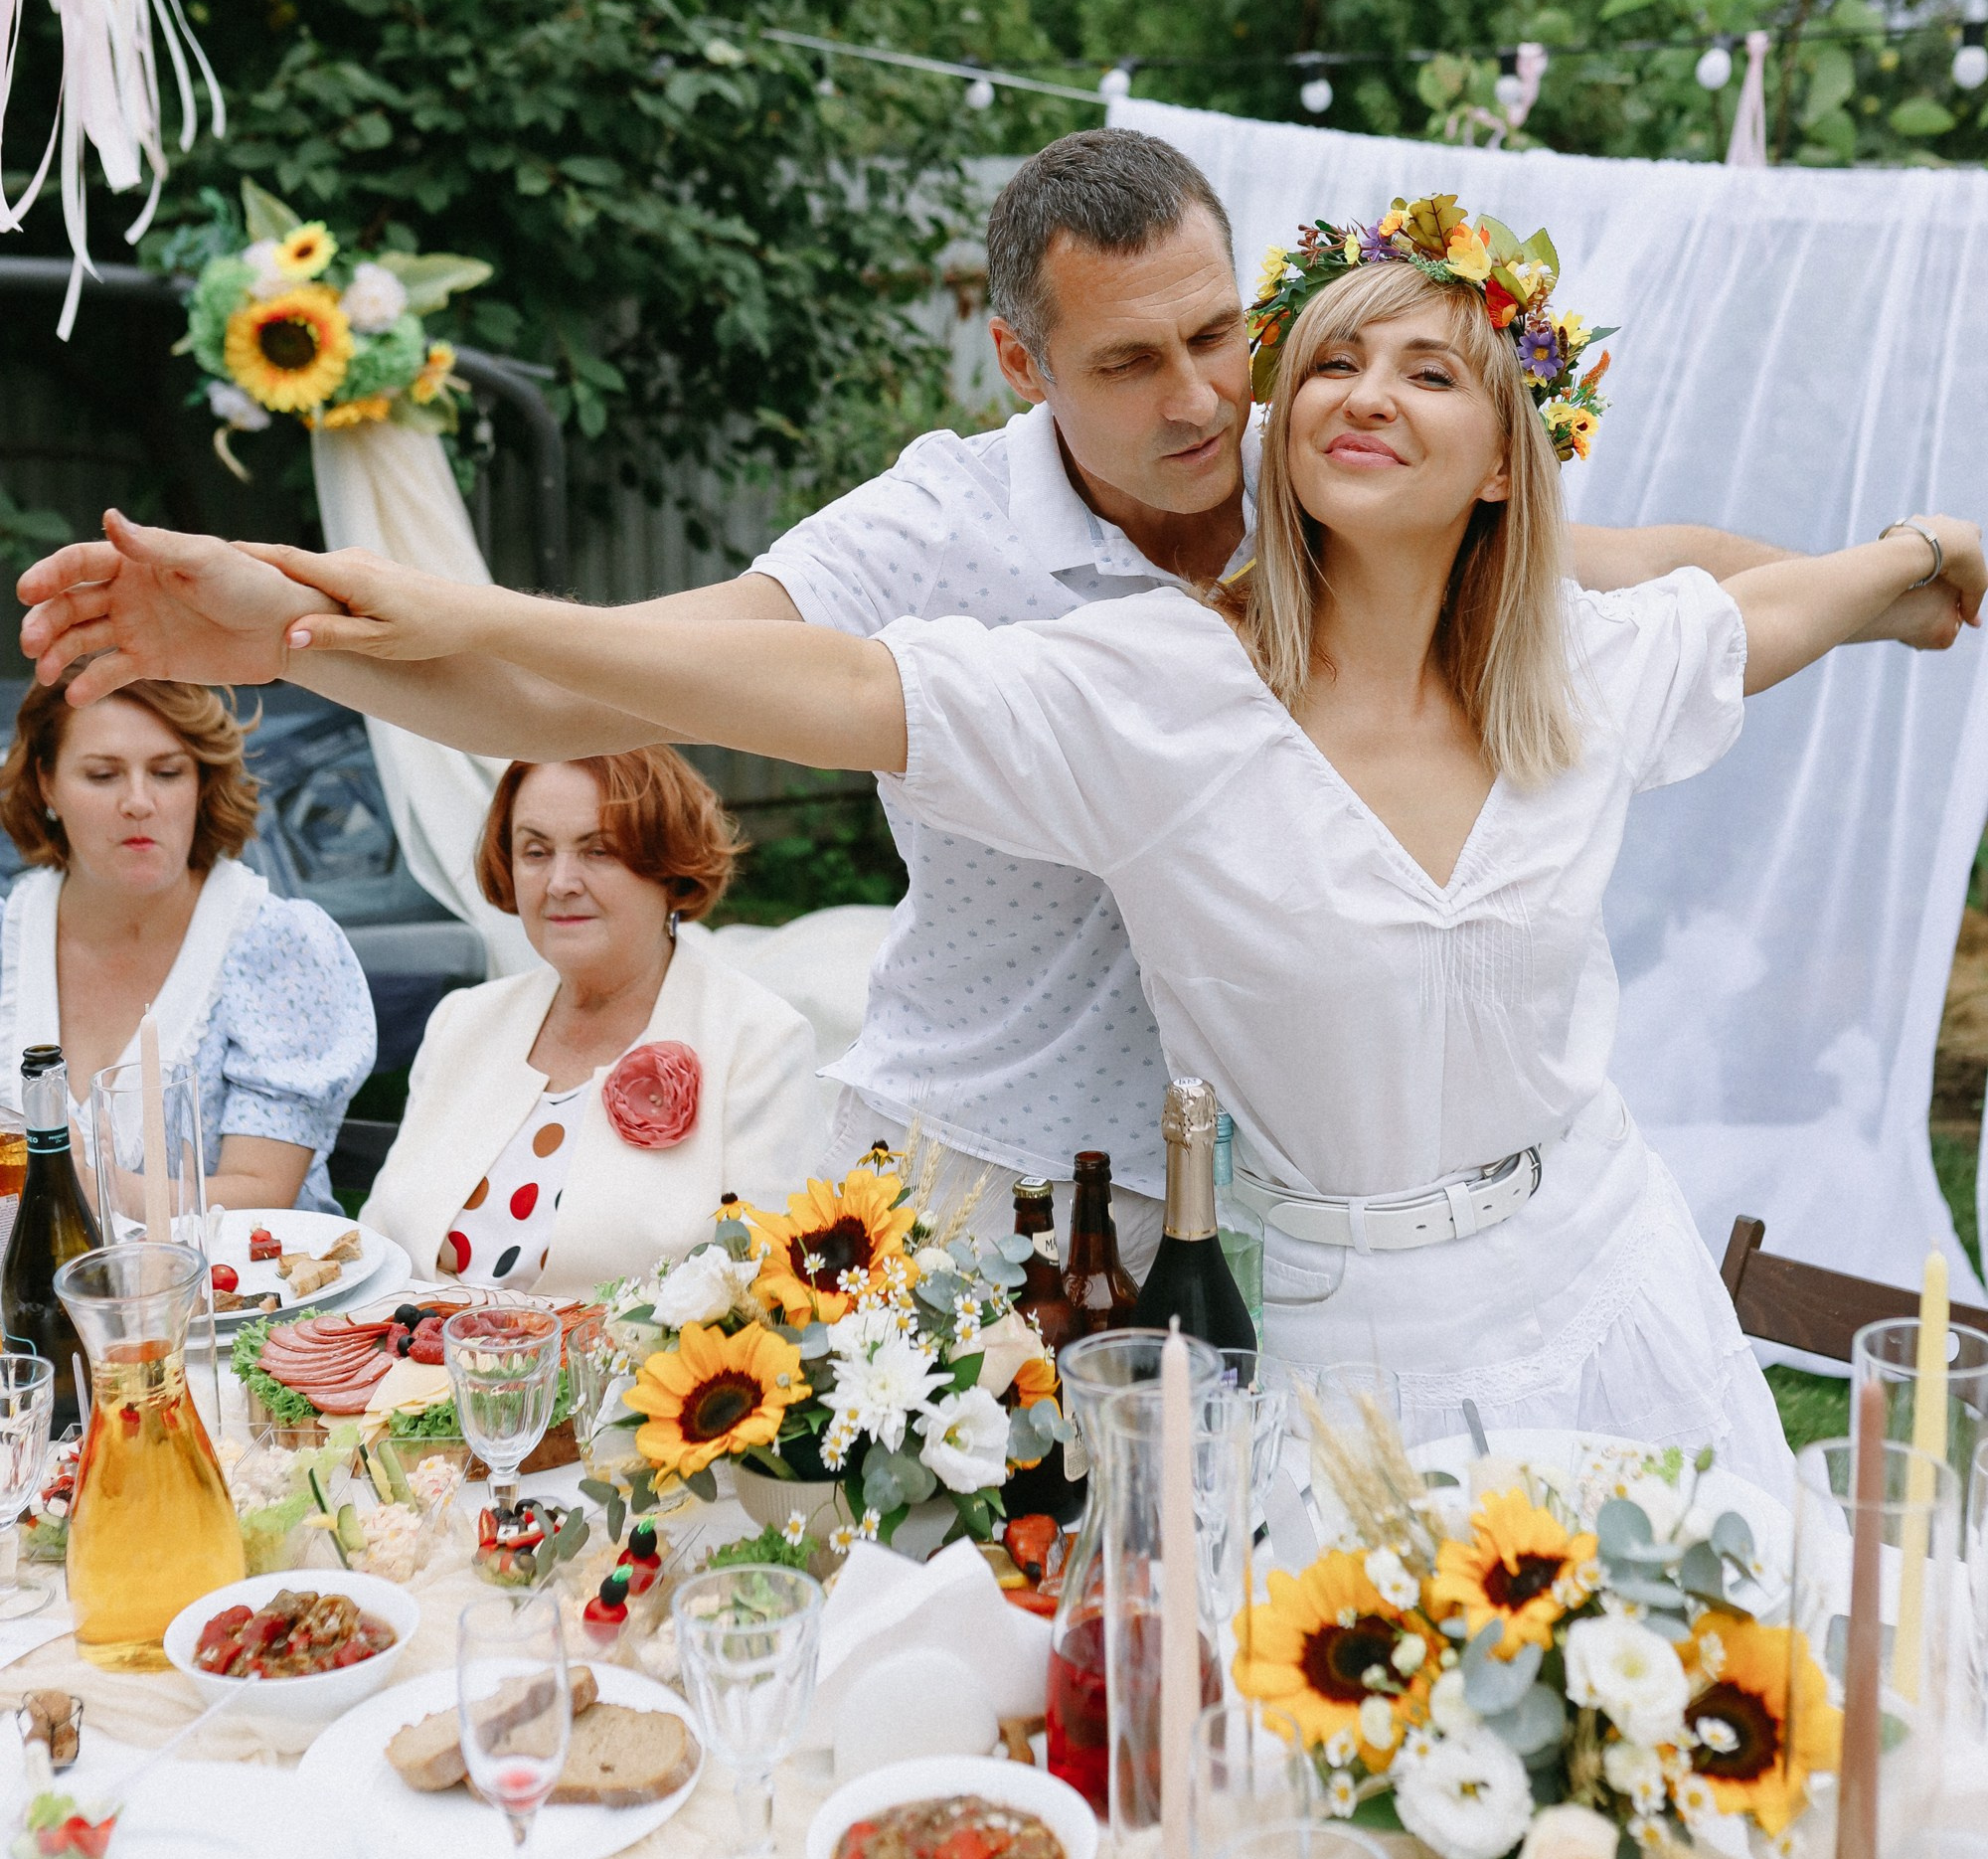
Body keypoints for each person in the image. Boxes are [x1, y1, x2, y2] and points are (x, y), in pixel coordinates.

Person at [75, 203, 1982, 1488]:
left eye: (1427, 371)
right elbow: (634, 675)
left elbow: (1776, 600)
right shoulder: (1131, 690)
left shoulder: (1593, 657)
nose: (1349, 392)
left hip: (1604, 1275)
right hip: (1315, 1332)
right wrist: (311, 622)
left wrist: (1920, 568)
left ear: (1508, 461)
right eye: (1330, 363)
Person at [361, 743, 823, 1288]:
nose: (559, 883)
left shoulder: (757, 1042)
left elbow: (760, 1289)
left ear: (670, 866)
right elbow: (379, 1246)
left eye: (598, 850)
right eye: (535, 852)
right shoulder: (462, 1021)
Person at [0, 678, 374, 1212]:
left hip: (237, 1288)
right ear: (47, 784)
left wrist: (88, 1186)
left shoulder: (272, 945)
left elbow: (265, 1191)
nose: (138, 801)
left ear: (201, 783)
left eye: (167, 772)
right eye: (102, 775)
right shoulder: (8, 940)